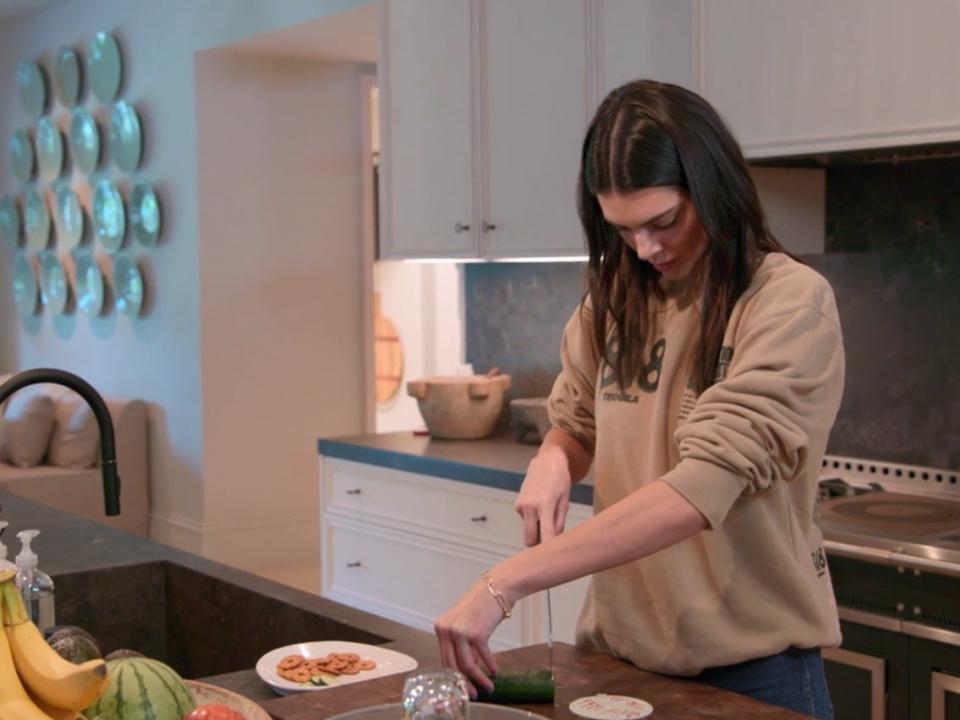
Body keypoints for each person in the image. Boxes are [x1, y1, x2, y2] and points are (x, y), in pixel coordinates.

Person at [433, 79, 844, 720]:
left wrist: (505, 582)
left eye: (664, 222)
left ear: (712, 189)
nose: (647, 249)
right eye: (624, 230)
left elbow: (699, 489)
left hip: (752, 671)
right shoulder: (618, 296)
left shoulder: (787, 302)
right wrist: (554, 458)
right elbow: (574, 418)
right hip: (616, 657)